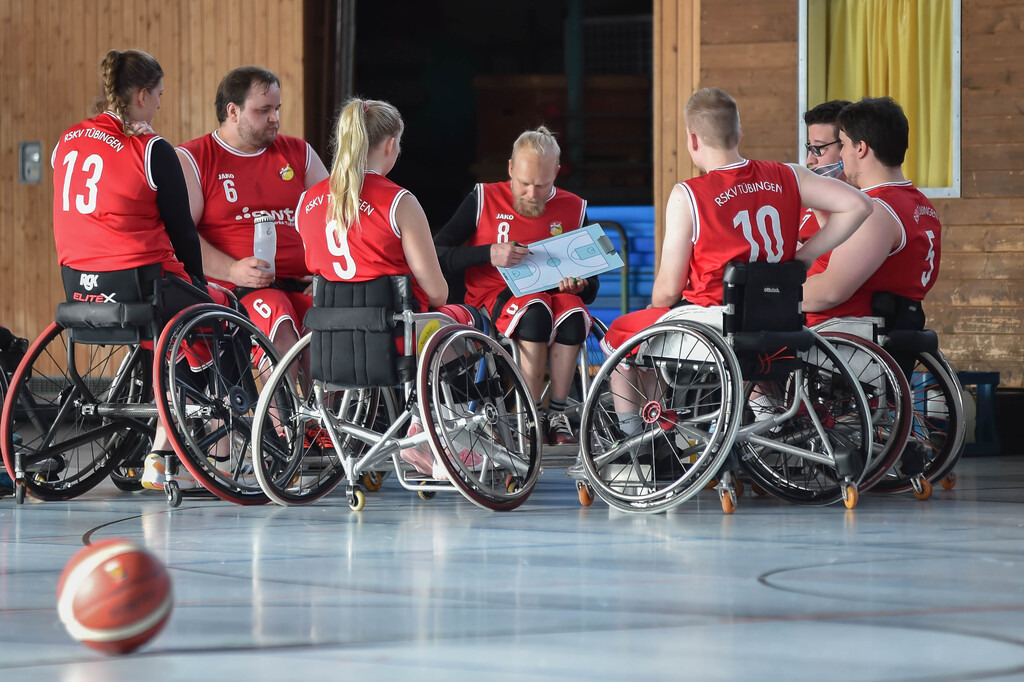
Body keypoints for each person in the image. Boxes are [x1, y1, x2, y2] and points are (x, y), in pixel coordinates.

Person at [600, 87, 873, 436]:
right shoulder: (788, 174)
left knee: (622, 336)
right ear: (739, 133)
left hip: (714, 320)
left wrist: (658, 308)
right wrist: (802, 259)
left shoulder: (689, 195)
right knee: (748, 355)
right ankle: (764, 424)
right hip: (778, 311)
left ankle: (637, 438)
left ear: (693, 140)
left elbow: (667, 292)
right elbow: (859, 206)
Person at [51, 49, 227, 491]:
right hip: (140, 284)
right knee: (216, 313)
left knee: (169, 323)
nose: (162, 105)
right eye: (160, 95)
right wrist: (202, 285)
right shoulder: (151, 150)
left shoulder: (67, 141)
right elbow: (183, 232)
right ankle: (174, 447)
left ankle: (158, 437)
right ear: (143, 95)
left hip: (77, 288)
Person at [295, 97, 476, 478]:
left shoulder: (307, 203)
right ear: (391, 144)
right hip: (396, 339)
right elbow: (437, 292)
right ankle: (435, 433)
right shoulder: (398, 202)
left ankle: (422, 429)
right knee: (462, 317)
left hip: (330, 341)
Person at [433, 126, 597, 446]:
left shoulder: (575, 207)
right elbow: (438, 254)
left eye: (542, 185)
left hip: (552, 297)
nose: (532, 194)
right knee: (535, 312)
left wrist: (580, 285)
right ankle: (530, 415)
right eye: (524, 184)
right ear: (510, 168)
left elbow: (592, 287)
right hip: (494, 295)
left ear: (557, 174)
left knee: (575, 314)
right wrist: (488, 253)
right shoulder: (483, 197)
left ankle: (558, 411)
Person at [176, 66, 329, 357]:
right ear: (233, 111)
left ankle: (322, 405)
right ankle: (282, 405)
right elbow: (181, 237)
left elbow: (336, 220)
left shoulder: (299, 152)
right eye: (264, 110)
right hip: (236, 290)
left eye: (277, 109)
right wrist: (232, 269)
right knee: (279, 324)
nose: (275, 118)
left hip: (301, 284)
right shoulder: (194, 158)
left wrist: (327, 274)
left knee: (331, 335)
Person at [802, 97, 942, 326]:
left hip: (839, 338)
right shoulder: (921, 204)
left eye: (844, 145)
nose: (841, 155)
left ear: (860, 148)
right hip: (888, 331)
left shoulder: (874, 211)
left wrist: (766, 294)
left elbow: (829, 293)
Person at [799, 99, 852, 243]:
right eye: (810, 148)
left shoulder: (866, 208)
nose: (809, 160)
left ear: (848, 147)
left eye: (818, 148)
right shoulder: (802, 201)